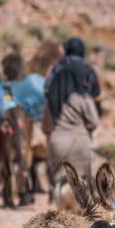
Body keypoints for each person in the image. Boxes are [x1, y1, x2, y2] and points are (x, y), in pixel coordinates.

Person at [44, 37, 101, 189]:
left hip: (57, 141)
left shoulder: (56, 67)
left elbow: (46, 91)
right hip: (81, 141)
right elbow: (96, 110)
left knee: (58, 180)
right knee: (84, 185)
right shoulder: (88, 71)